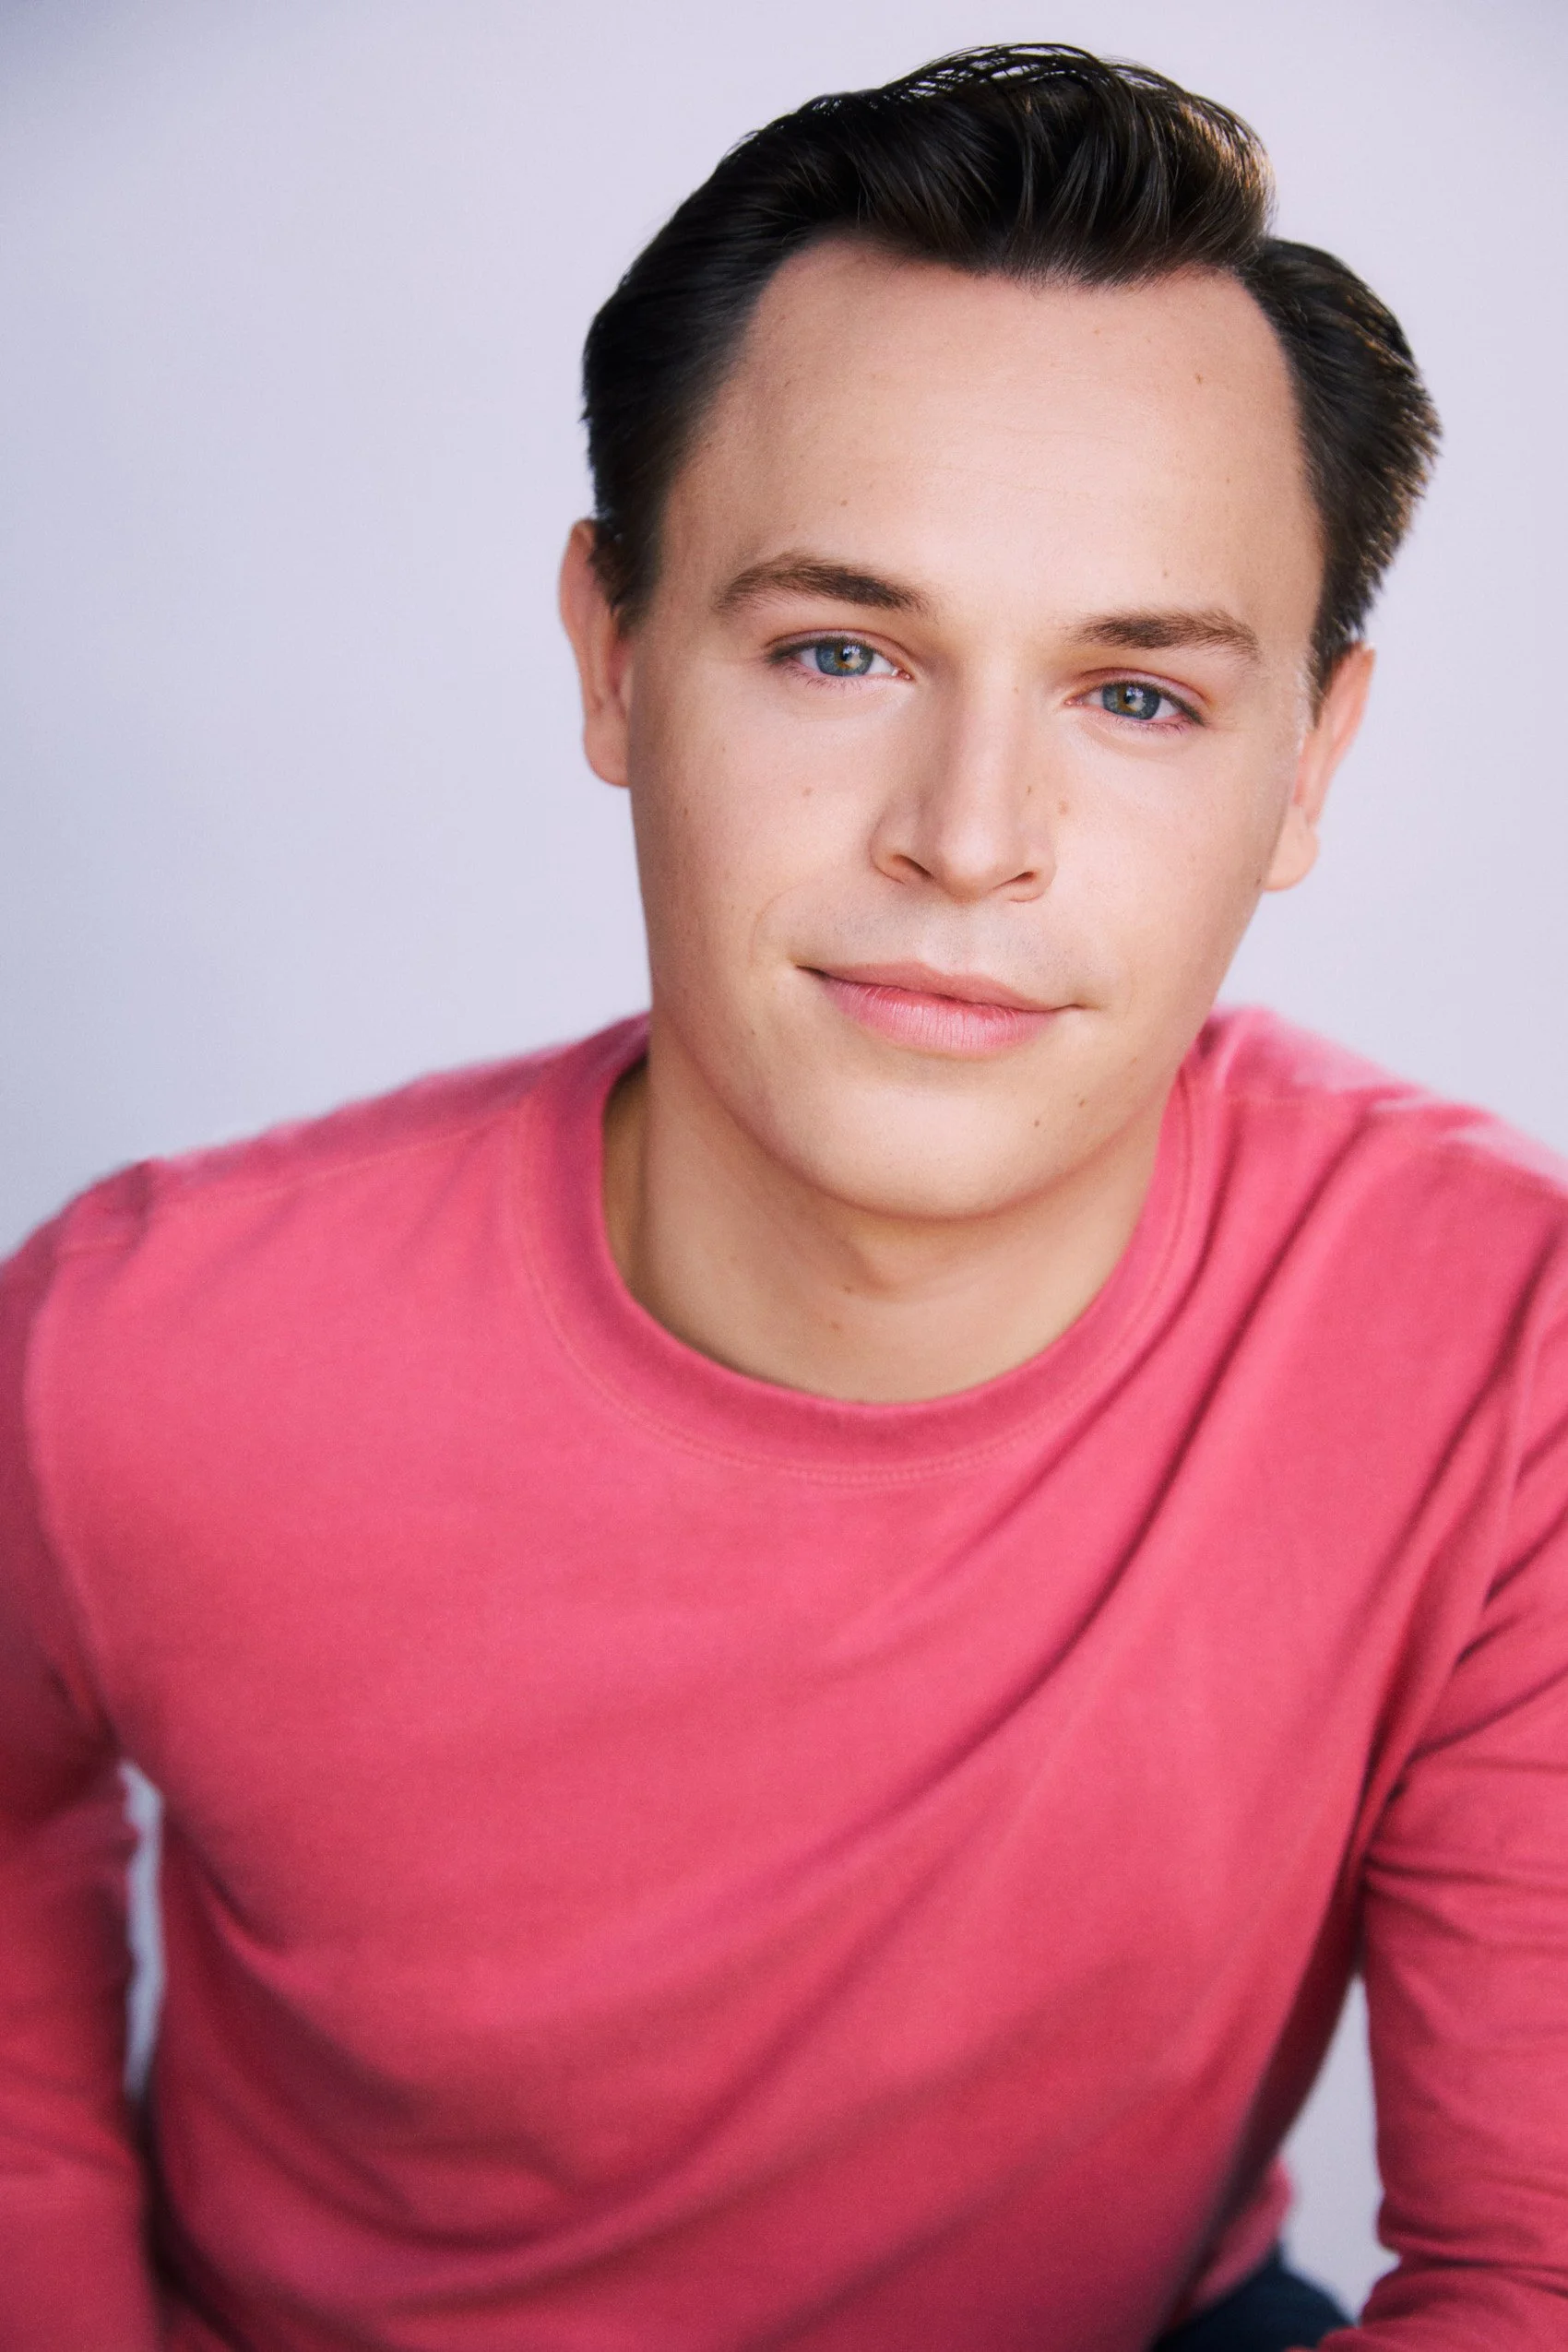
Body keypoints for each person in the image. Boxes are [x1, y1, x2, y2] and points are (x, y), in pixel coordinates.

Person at [1, 38, 1563, 2351]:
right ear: (615, 655)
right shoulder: (135, 1347)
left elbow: (1530, 2272)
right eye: (840, 651)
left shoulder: (1500, 1349)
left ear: (1306, 763)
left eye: (1135, 697)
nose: (965, 832)